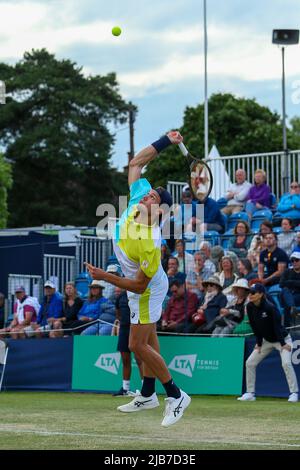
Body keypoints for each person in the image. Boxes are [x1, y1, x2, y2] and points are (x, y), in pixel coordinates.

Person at [86, 130, 191, 427]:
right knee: (148, 339)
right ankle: (147, 393)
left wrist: (104, 276)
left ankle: (175, 394)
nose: (146, 194)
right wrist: (165, 141)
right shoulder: (136, 200)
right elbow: (136, 164)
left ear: (160, 210)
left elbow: (140, 286)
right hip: (136, 283)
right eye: (147, 192)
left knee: (137, 345)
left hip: (147, 288)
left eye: (154, 196)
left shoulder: (150, 242)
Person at [237, 283, 298, 403]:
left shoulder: (270, 307)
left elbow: (277, 327)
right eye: (250, 292)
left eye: (253, 293)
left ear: (261, 294)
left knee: (286, 363)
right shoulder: (249, 307)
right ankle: (250, 393)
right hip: (266, 341)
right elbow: (255, 326)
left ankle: (294, 393)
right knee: (250, 363)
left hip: (282, 340)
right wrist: (259, 343)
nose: (250, 295)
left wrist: (282, 344)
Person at [113, 287, 143, 396]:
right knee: (125, 359)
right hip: (124, 329)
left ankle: (145, 389)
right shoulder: (121, 296)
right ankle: (125, 389)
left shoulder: (139, 294)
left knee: (139, 359)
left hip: (136, 328)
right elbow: (118, 312)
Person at [279, 252, 300, 327]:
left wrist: (290, 282)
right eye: (292, 260)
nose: (294, 262)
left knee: (287, 305)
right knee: (285, 290)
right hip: (287, 295)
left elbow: (285, 283)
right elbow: (281, 284)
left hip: (296, 297)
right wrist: (296, 283)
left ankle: (286, 329)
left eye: (297, 260)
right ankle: (292, 307)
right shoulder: (287, 271)